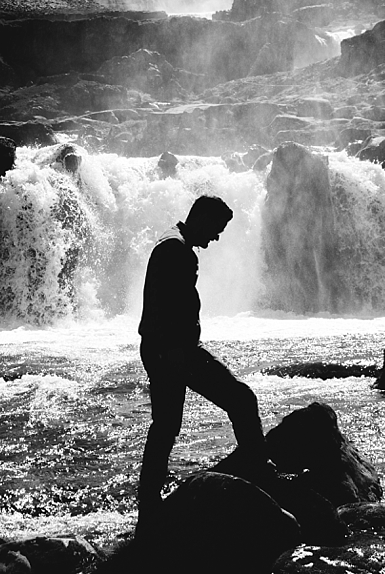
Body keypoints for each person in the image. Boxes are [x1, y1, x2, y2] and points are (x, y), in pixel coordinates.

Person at [136, 194, 269, 536]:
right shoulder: (176, 251)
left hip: (165, 349)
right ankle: (261, 474)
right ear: (201, 218)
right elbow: (171, 313)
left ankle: (148, 504)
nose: (217, 238)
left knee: (165, 427)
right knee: (240, 399)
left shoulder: (173, 243)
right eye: (217, 229)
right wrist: (177, 356)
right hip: (173, 351)